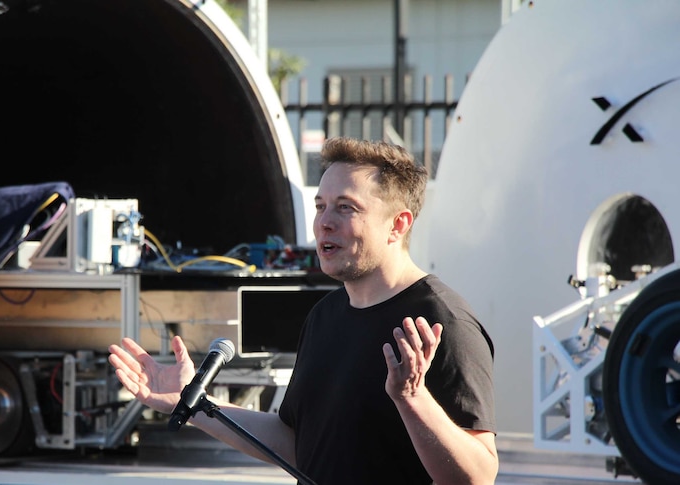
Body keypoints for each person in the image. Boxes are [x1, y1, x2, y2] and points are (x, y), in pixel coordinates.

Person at [108, 137, 498, 484]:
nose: (323, 223)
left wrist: (413, 399)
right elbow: (297, 443)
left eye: (346, 208)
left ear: (398, 225)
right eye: (320, 205)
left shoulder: (443, 322)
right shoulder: (324, 316)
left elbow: (478, 476)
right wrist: (194, 404)